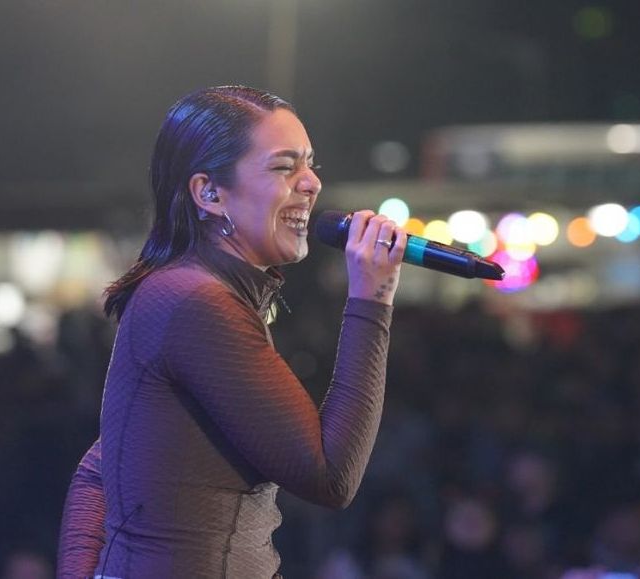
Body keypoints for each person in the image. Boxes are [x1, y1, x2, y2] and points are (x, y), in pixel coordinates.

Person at [56, 86, 407, 578]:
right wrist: (372, 300)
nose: (310, 184)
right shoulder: (195, 301)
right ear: (210, 193)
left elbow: (101, 469)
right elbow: (330, 477)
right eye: (285, 167)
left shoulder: (190, 291)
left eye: (310, 164)